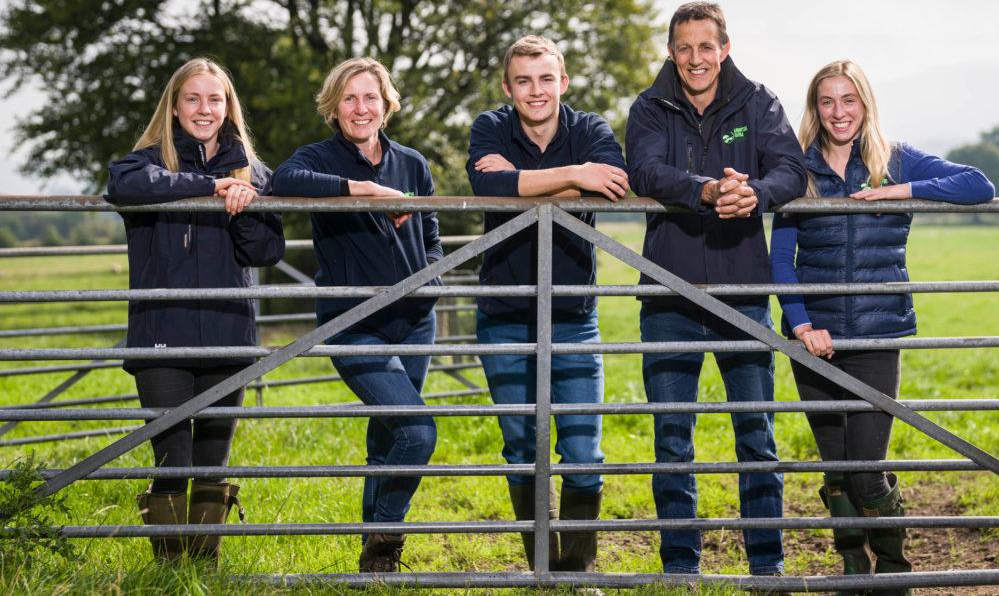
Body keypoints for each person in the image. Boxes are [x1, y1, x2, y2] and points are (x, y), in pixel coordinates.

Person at [769, 59, 994, 593]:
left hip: (876, 335)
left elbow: (979, 185)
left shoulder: (895, 159)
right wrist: (801, 326)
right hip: (814, 340)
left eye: (849, 99)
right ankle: (853, 569)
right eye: (827, 101)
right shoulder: (796, 168)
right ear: (815, 108)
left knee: (866, 468)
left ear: (864, 103)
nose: (838, 111)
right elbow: (780, 258)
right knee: (835, 467)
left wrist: (897, 190)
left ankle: (892, 572)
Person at [625, 1, 806, 580]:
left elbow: (790, 170)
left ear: (724, 48)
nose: (696, 58)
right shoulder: (649, 107)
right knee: (672, 440)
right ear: (671, 52)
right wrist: (706, 191)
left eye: (707, 47)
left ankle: (767, 570)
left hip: (744, 291)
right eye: (685, 48)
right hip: (669, 297)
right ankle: (681, 570)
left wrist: (755, 194)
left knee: (756, 436)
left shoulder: (759, 102)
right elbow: (645, 172)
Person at [106, 58, 285, 563]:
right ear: (175, 105)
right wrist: (210, 187)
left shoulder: (252, 170)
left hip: (230, 333)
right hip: (163, 334)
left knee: (213, 458)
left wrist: (243, 201)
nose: (204, 109)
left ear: (228, 108)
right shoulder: (144, 162)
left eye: (215, 99)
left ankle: (203, 564)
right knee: (172, 456)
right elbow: (124, 189)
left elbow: (267, 252)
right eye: (193, 98)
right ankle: (169, 566)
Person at [272, 57, 442, 573]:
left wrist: (431, 278)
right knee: (418, 432)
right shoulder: (318, 158)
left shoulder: (412, 162)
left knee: (388, 439)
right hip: (353, 322)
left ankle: (374, 565)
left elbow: (432, 229)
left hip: (414, 319)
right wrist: (365, 191)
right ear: (334, 107)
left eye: (370, 97)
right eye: (349, 98)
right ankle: (387, 541)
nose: (360, 108)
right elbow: (283, 179)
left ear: (386, 104)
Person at [467, 35, 628, 573]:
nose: (535, 91)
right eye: (523, 80)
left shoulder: (591, 129)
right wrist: (574, 176)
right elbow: (485, 185)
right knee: (521, 451)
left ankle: (575, 573)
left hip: (573, 315)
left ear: (564, 81)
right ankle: (541, 569)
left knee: (585, 454)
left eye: (545, 78)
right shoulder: (490, 127)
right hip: (503, 315)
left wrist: (524, 185)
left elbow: (613, 185)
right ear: (508, 87)